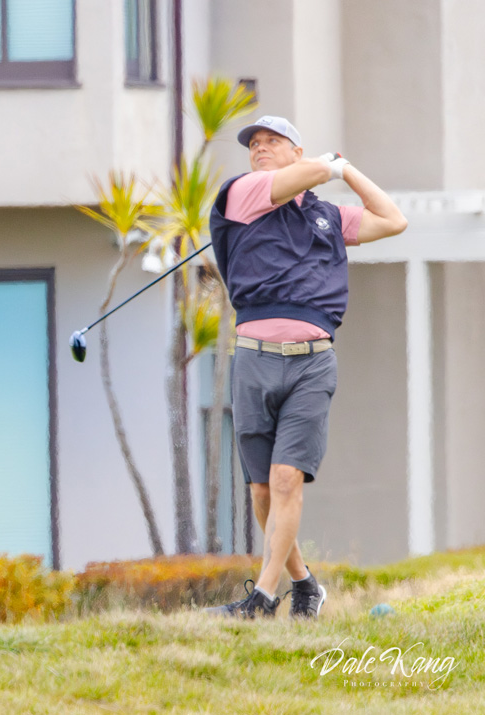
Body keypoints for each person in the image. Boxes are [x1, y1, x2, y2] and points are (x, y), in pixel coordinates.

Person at [205, 116, 407, 618]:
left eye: (272, 141)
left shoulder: (327, 218)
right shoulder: (242, 194)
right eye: (254, 143)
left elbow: (392, 220)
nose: (259, 148)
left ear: (296, 151)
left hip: (312, 364)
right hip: (253, 359)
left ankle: (262, 598)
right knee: (261, 489)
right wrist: (327, 166)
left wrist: (348, 169)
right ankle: (305, 585)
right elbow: (309, 175)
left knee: (286, 479)